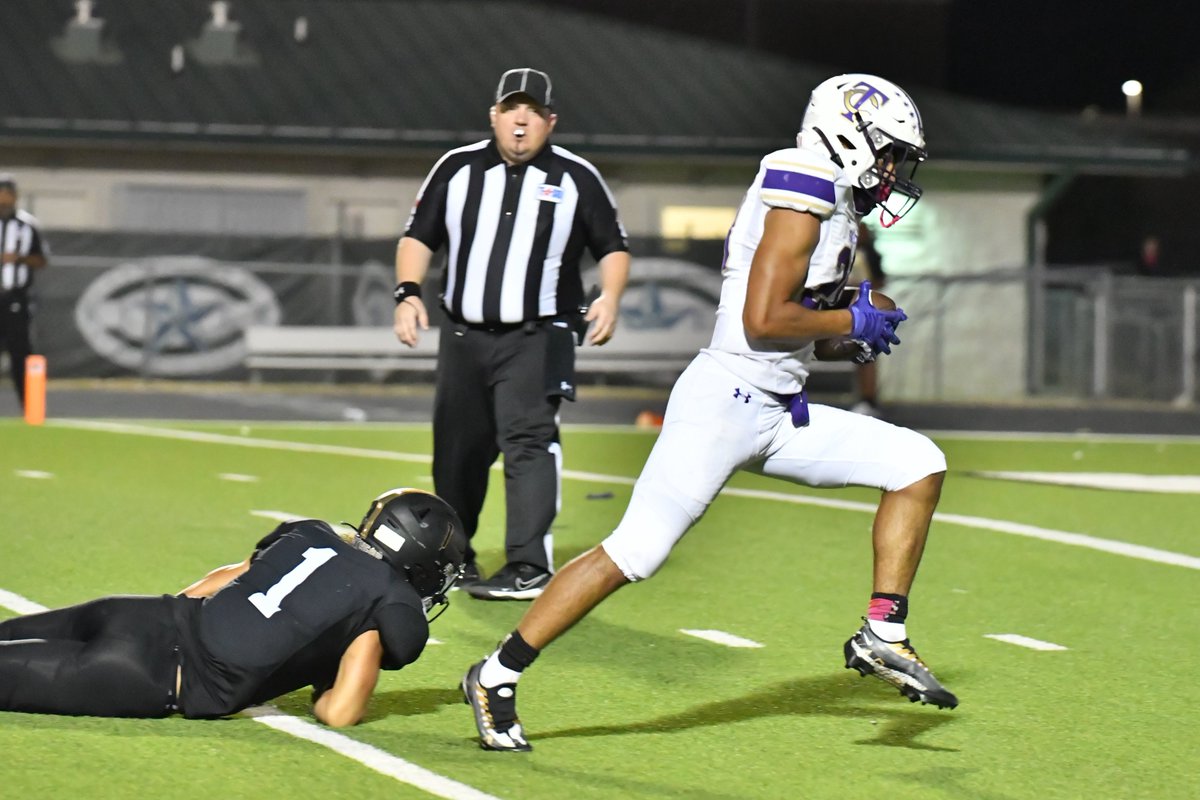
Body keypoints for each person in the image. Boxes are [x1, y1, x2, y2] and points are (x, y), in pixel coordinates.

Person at [459, 73, 957, 752]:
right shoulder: (802, 180)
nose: (893, 168)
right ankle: (495, 674)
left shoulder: (833, 199)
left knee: (917, 464)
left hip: (780, 409)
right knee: (634, 553)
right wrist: (851, 313)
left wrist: (854, 334)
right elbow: (762, 318)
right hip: (723, 403)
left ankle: (883, 634)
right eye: (889, 150)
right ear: (850, 134)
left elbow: (801, 330)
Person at [393, 67, 631, 601]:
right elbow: (418, 236)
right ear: (493, 116)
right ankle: (455, 557)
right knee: (458, 450)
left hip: (538, 334)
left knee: (529, 442)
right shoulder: (456, 169)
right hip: (463, 334)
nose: (520, 122)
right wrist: (408, 291)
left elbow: (612, 245)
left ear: (550, 121)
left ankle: (527, 563)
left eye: (532, 113)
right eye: (510, 110)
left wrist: (610, 295)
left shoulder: (576, 177)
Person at [0, 488, 465, 725]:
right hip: (150, 674)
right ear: (421, 563)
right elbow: (339, 713)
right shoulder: (386, 602)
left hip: (139, 614)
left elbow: (215, 581)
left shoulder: (313, 532)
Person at [0, 174, 50, 409]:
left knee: (21, 355)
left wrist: (18, 258)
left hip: (15, 298)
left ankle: (31, 406)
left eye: (7, 193)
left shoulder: (27, 225)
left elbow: (42, 260)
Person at [849, 222, 886, 416]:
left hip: (861, 315)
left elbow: (880, 282)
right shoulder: (840, 249)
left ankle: (868, 400)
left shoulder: (870, 255)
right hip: (835, 312)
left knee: (866, 351)